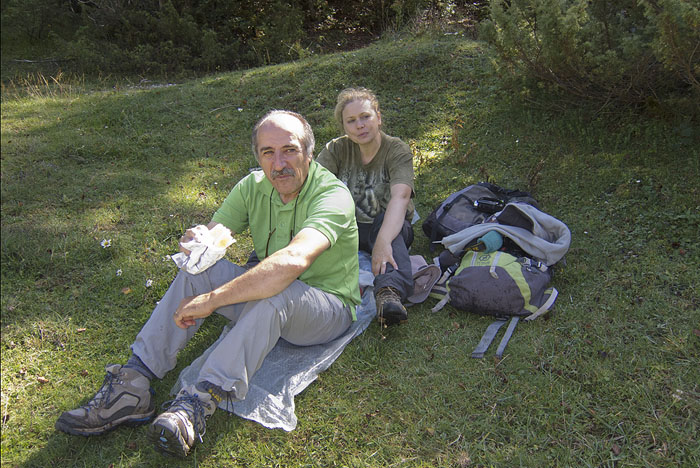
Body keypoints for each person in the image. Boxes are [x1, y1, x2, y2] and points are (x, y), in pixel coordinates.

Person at [55, 110, 361, 458]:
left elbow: (291, 263)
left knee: (278, 289)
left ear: (308, 152)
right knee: (198, 272)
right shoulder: (253, 187)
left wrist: (213, 300)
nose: (279, 164)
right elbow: (216, 236)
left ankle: (198, 403)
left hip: (328, 309)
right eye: (267, 153)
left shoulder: (331, 195)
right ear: (258, 157)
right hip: (273, 295)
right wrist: (197, 241)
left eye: (289, 150)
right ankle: (134, 383)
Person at [316, 87, 415, 326]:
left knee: (388, 230)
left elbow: (400, 197)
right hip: (347, 226)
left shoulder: (396, 150)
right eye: (351, 121)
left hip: (388, 223)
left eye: (365, 117)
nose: (359, 125)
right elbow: (313, 188)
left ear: (378, 118)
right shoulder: (336, 150)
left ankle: (389, 293)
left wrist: (381, 242)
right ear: (344, 127)